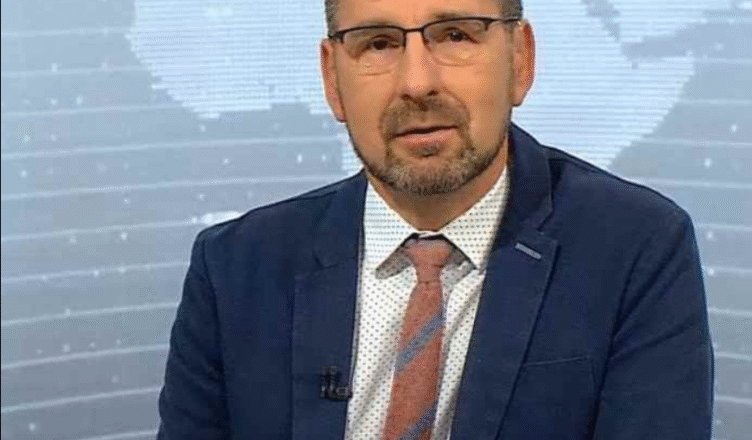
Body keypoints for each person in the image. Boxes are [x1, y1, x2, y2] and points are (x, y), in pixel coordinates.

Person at [156, 0, 714, 438]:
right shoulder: (234, 267)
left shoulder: (635, 248)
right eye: (378, 43)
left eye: (455, 35)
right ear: (332, 80)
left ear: (520, 60)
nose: (417, 82)